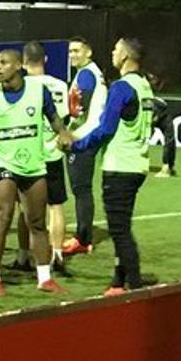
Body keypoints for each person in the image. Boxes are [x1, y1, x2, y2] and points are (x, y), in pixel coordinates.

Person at [0, 48, 68, 298]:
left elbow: (54, 120)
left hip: (34, 165)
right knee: (3, 215)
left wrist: (64, 134)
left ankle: (44, 277)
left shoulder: (38, 91)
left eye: (3, 63)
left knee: (36, 222)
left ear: (18, 66)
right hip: (3, 164)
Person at [69, 37, 157, 294]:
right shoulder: (144, 86)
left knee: (119, 231)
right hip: (138, 164)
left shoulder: (121, 87)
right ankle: (119, 281)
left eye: (116, 49)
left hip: (120, 166)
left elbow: (106, 128)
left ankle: (135, 285)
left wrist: (76, 145)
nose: (112, 52)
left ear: (126, 57)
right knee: (122, 228)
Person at [19, 41, 70, 270]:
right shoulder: (60, 85)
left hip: (30, 155)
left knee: (26, 207)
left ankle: (28, 254)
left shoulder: (22, 86)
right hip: (54, 153)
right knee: (56, 206)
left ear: (23, 62)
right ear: (45, 60)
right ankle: (57, 253)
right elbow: (65, 118)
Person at [63, 37, 108, 256]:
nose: (72, 54)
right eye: (70, 51)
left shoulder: (86, 74)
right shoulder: (91, 72)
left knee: (81, 190)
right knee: (82, 189)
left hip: (82, 138)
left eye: (77, 50)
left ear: (88, 52)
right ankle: (83, 236)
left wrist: (69, 135)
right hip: (88, 135)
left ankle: (83, 238)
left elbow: (80, 110)